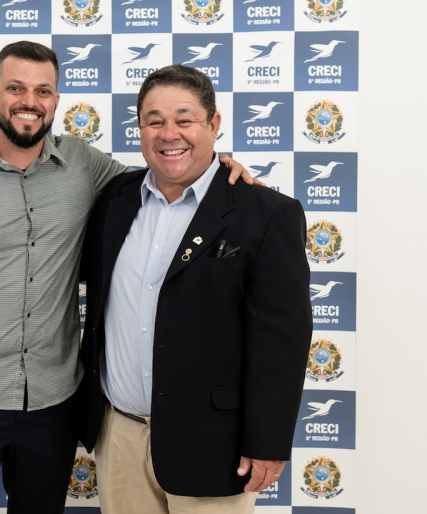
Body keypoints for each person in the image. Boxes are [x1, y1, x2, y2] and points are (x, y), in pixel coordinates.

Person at [0, 42, 253, 514]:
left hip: (55, 399)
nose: (29, 101)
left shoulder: (83, 164)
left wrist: (218, 169)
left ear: (56, 100)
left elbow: (163, 176)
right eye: (16, 88)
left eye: (43, 91)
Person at [80, 64, 313, 514]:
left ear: (214, 123)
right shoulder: (114, 200)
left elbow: (282, 341)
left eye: (184, 119)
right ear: (139, 128)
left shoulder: (265, 213)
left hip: (214, 445)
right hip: (119, 437)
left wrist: (268, 442)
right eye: (154, 121)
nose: (169, 134)